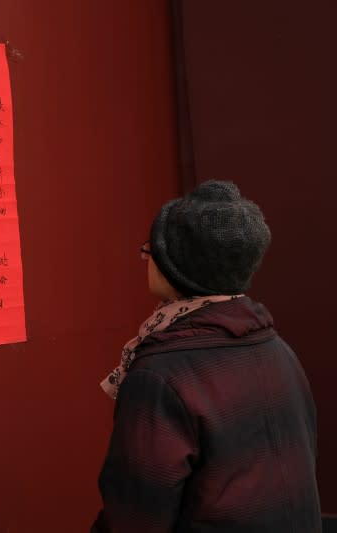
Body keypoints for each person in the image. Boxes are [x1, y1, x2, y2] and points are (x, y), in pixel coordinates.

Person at [92, 180, 320, 532]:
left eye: (150, 249)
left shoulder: (160, 377)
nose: (145, 258)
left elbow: (135, 517)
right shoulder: (277, 349)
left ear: (176, 265)